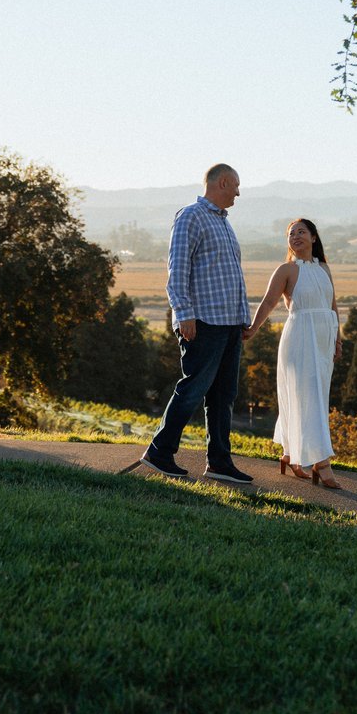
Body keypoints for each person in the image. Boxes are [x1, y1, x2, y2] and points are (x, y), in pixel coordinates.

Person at [140, 164, 253, 484]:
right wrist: (183, 313)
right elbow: (177, 269)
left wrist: (242, 318)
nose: (238, 193)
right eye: (236, 186)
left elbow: (227, 275)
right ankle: (159, 452)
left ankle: (218, 462)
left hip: (229, 322)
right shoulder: (190, 215)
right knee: (193, 389)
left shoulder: (224, 223)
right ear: (223, 182)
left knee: (224, 395)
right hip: (203, 321)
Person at [244, 218, 342, 488]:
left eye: (301, 232)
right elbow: (268, 302)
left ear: (313, 237)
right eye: (291, 234)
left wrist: (338, 338)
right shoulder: (285, 270)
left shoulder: (324, 268)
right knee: (306, 396)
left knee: (317, 396)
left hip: (323, 339)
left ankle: (290, 454)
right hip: (299, 337)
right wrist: (252, 329)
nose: (296, 236)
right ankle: (321, 462)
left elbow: (332, 305)